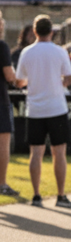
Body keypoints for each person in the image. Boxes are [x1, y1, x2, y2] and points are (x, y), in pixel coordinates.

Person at [14, 14, 71, 209]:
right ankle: (60, 195)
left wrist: (30, 82)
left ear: (34, 31)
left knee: (36, 153)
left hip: (35, 109)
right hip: (57, 108)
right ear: (51, 32)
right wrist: (59, 83)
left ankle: (37, 196)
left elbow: (19, 81)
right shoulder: (59, 52)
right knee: (59, 153)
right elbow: (70, 78)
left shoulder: (27, 53)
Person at [0, 11, 18, 197]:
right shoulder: (2, 46)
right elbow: (10, 76)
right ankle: (2, 183)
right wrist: (20, 79)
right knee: (3, 143)